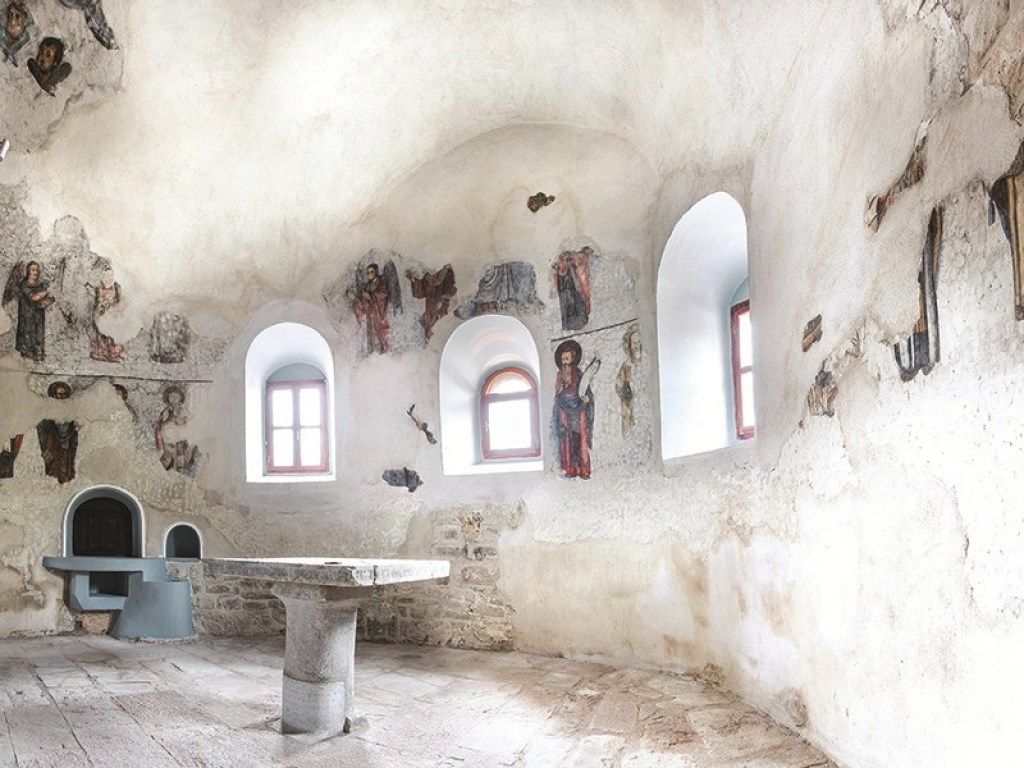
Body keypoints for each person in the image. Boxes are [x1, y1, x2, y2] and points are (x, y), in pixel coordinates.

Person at [552, 339, 599, 479]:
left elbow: (586, 388)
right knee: (567, 440)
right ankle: (570, 469)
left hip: (578, 410)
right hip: (564, 411)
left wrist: (588, 398)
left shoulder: (578, 373)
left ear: (573, 358)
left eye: (567, 358)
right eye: (563, 359)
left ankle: (583, 469)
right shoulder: (560, 375)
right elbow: (557, 393)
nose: (565, 362)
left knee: (579, 438)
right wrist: (558, 398)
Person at [14, 261, 53, 362]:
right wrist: (45, 292)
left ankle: (38, 353)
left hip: (38, 315)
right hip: (27, 316)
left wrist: (47, 301)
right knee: (28, 335)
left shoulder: (40, 285)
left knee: (38, 334)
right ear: (28, 271)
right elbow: (34, 298)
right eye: (33, 270)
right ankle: (27, 355)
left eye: (37, 270)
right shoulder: (24, 285)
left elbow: (49, 299)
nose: (35, 272)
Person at [347, 263, 391, 354]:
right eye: (368, 272)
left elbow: (383, 294)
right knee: (372, 331)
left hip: (380, 312)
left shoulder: (381, 283)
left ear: (376, 272)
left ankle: (384, 348)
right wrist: (356, 299)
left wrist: (371, 296)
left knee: (380, 330)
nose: (369, 274)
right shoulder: (368, 285)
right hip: (372, 312)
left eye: (371, 271)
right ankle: (374, 350)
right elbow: (365, 302)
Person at [551, 247, 592, 330]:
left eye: (567, 260)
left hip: (574, 298)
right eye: (564, 260)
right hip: (567, 298)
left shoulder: (572, 270)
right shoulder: (560, 274)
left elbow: (580, 290)